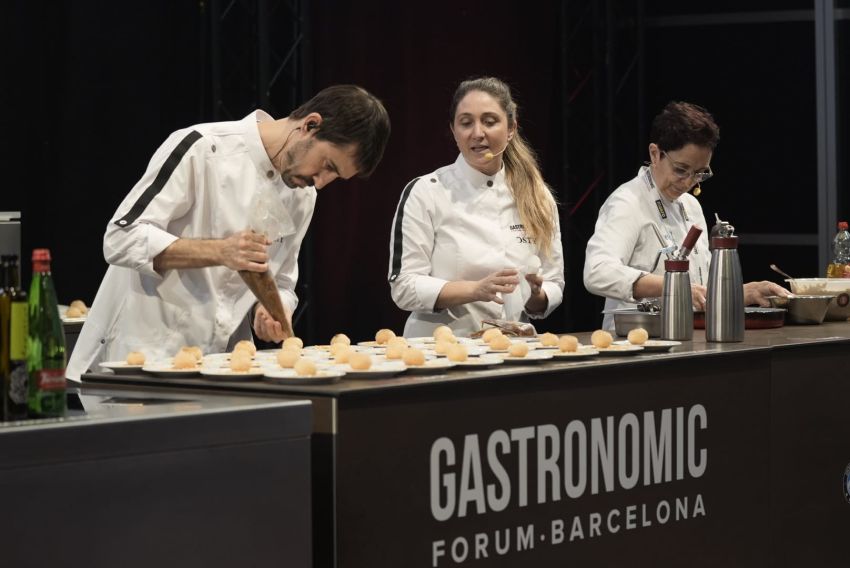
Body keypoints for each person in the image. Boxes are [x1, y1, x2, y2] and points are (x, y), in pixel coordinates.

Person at [66, 85, 391, 380]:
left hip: (221, 370)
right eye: (328, 165)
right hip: (136, 360)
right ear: (310, 125)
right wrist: (220, 251)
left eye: (335, 176)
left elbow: (284, 281)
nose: (321, 181)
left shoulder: (302, 196)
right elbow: (121, 238)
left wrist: (272, 307)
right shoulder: (202, 148)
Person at [583, 101, 788, 331]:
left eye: (700, 173)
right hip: (636, 342)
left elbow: (700, 293)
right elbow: (597, 272)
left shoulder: (691, 206)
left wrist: (745, 292)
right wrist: (674, 285)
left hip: (688, 336)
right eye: (681, 170)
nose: (689, 182)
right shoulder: (627, 202)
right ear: (655, 154)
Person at [388, 77, 564, 337]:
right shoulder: (426, 192)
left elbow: (554, 282)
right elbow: (403, 287)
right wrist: (474, 290)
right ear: (453, 131)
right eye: (466, 122)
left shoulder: (538, 196)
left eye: (490, 121)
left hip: (512, 350)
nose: (478, 133)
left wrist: (536, 295)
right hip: (440, 351)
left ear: (511, 128)